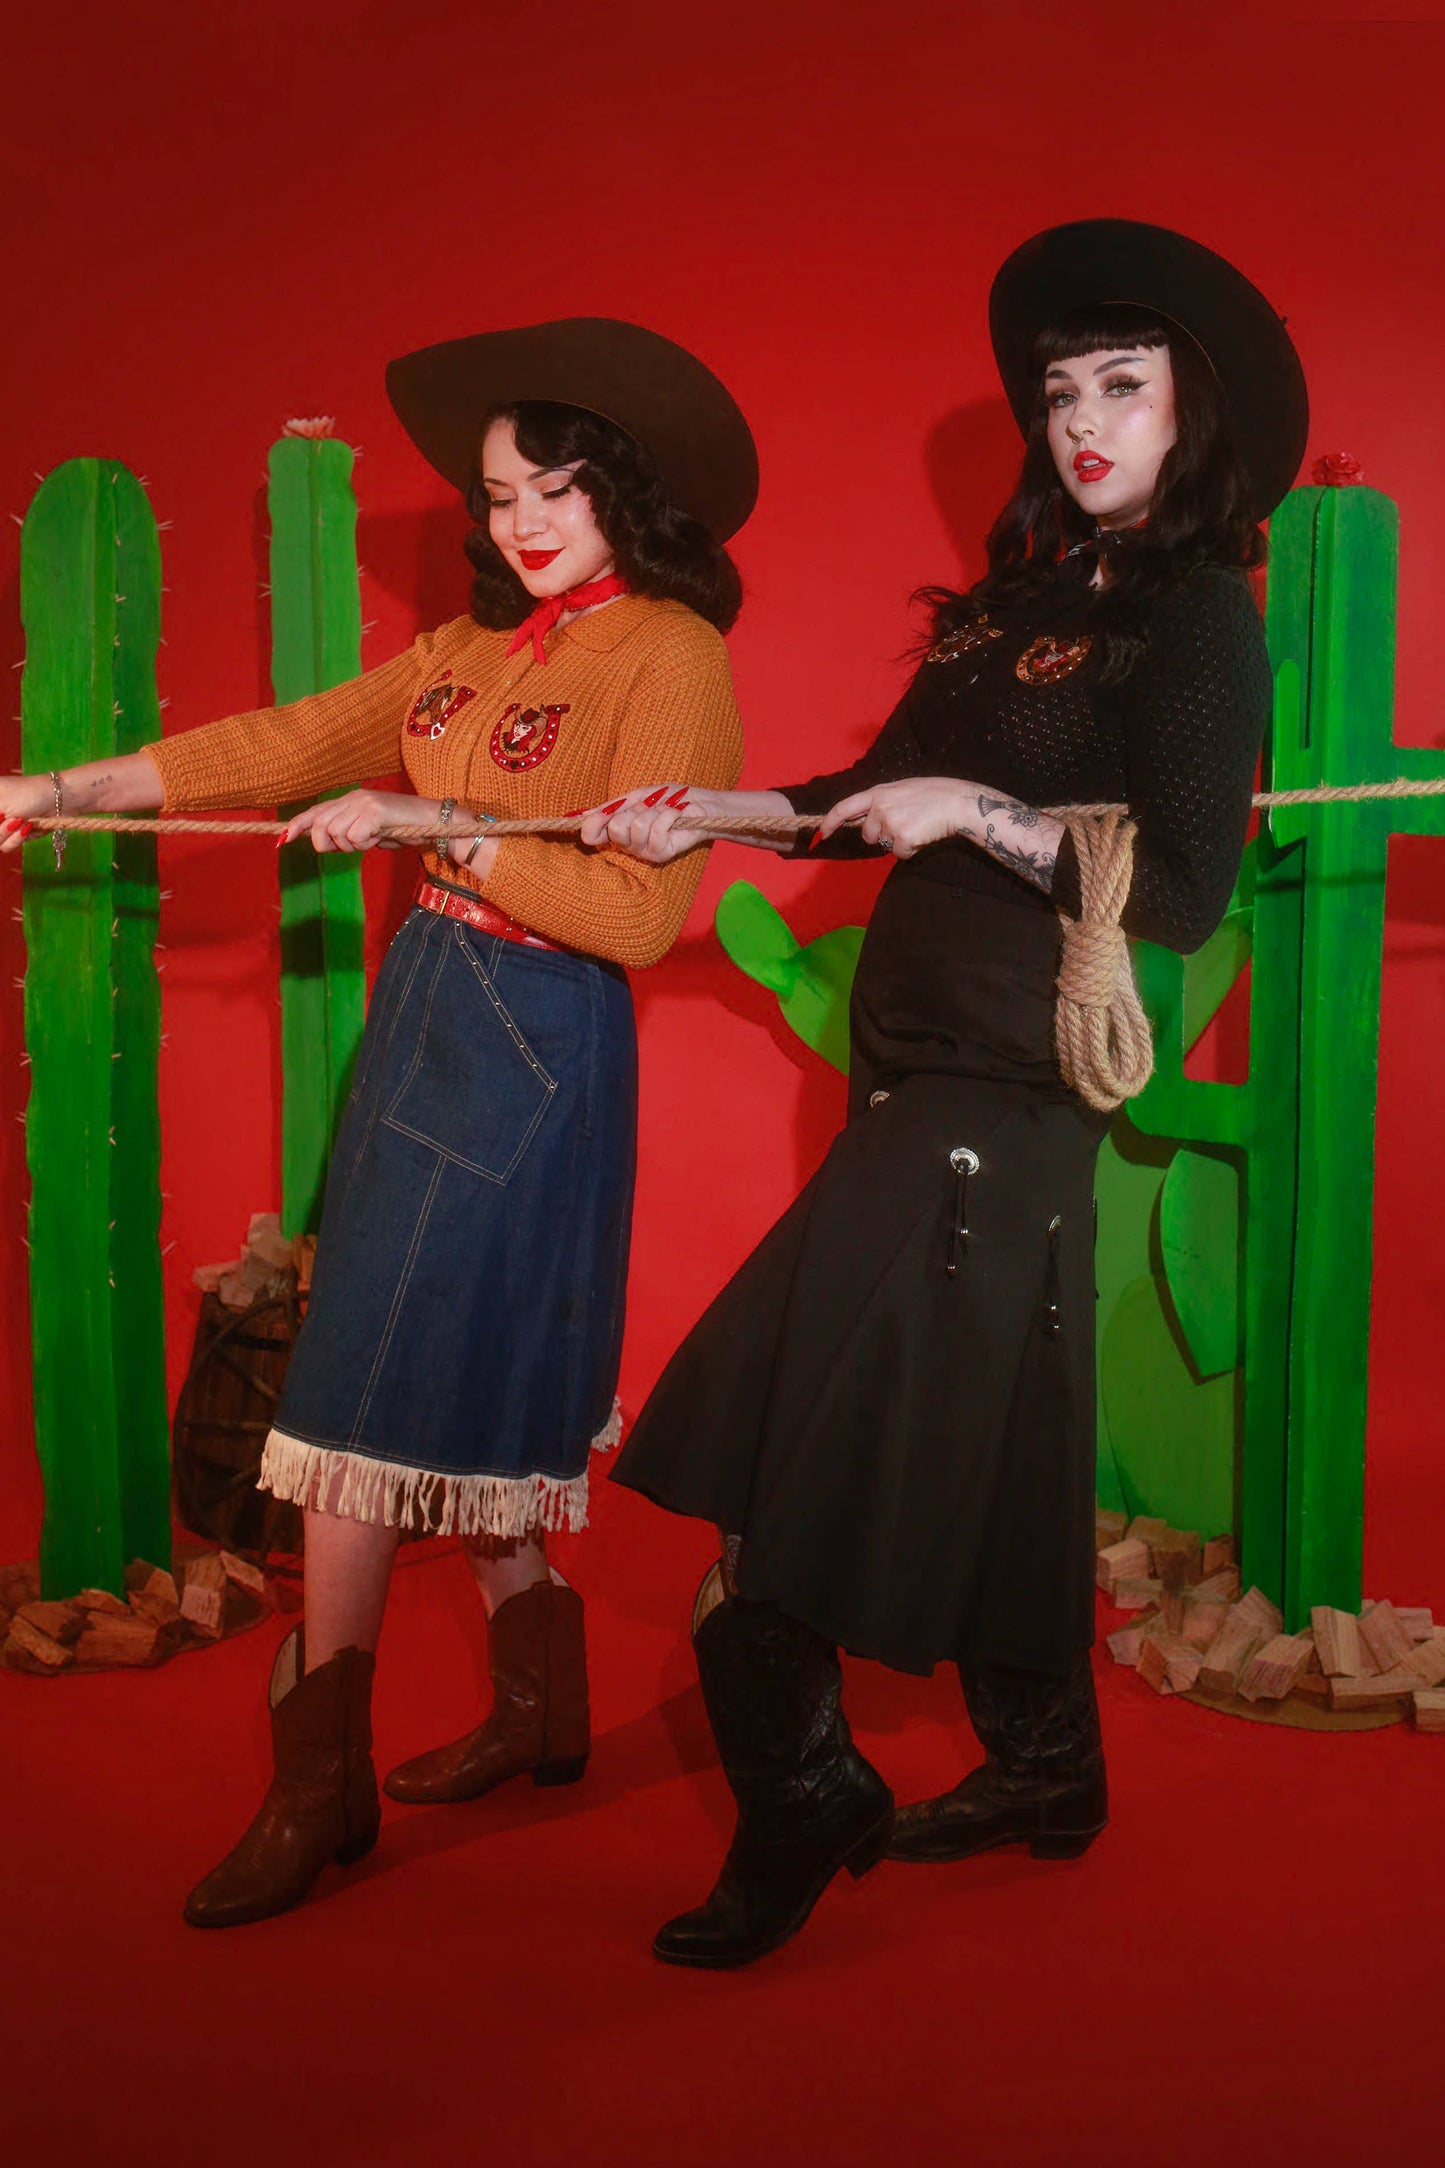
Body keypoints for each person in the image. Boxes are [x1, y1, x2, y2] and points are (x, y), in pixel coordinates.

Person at [582, 221, 1305, 1968]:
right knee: (1003, 1430)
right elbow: (869, 788)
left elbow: (1182, 888)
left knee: (787, 1442)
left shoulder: (1201, 614)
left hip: (1006, 1082)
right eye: (1062, 393)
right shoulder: (1023, 606)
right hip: (913, 1060)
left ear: (1191, 415)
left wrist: (974, 816)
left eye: (1122, 387)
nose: (1083, 422)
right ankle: (1049, 1769)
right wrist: (713, 815)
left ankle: (803, 1794)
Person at [0, 317, 758, 1928]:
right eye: (499, 494)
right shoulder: (477, 647)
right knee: (459, 1380)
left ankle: (316, 1787)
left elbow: (641, 919)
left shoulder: (671, 655)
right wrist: (57, 791)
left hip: (535, 1042)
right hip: (431, 1019)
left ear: (629, 492)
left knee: (352, 1403)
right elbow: (282, 747)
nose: (523, 522)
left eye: (557, 488)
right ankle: (541, 1708)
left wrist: (447, 827)